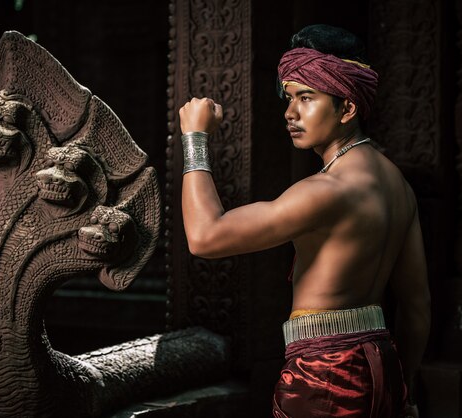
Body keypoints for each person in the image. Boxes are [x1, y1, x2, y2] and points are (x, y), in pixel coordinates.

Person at [178, 24, 430, 417]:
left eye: (307, 98)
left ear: (347, 108)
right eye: (290, 97)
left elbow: (205, 237)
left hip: (325, 374)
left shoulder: (327, 191)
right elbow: (416, 305)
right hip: (382, 365)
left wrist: (194, 137)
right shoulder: (397, 185)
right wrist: (405, 390)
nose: (290, 113)